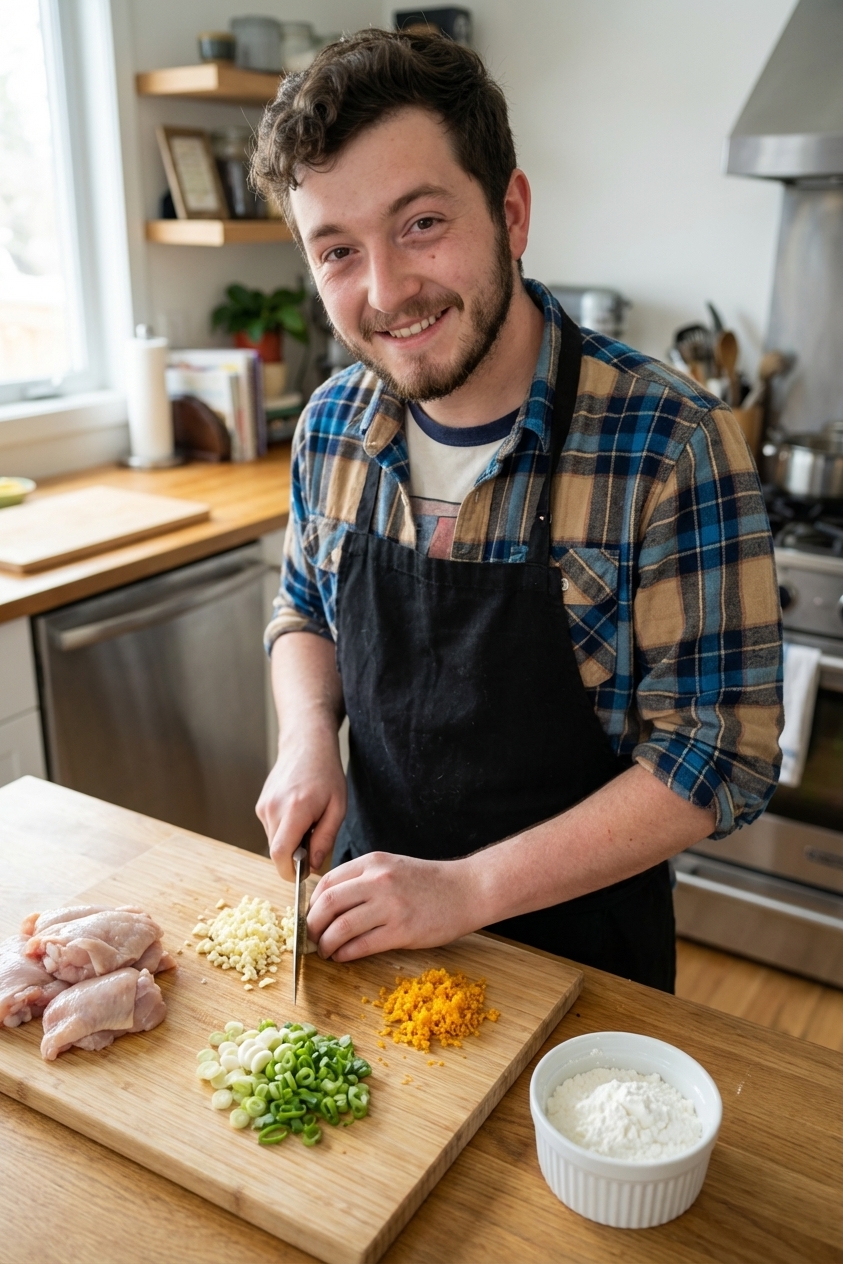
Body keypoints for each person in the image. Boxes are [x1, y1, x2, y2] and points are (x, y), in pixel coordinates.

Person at [252, 29, 783, 992]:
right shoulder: (330, 424)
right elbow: (302, 609)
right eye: (337, 250)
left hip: (588, 971)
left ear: (510, 212)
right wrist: (303, 742)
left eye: (420, 223)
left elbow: (720, 752)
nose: (385, 291)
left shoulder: (670, 444)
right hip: (368, 938)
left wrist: (466, 890)